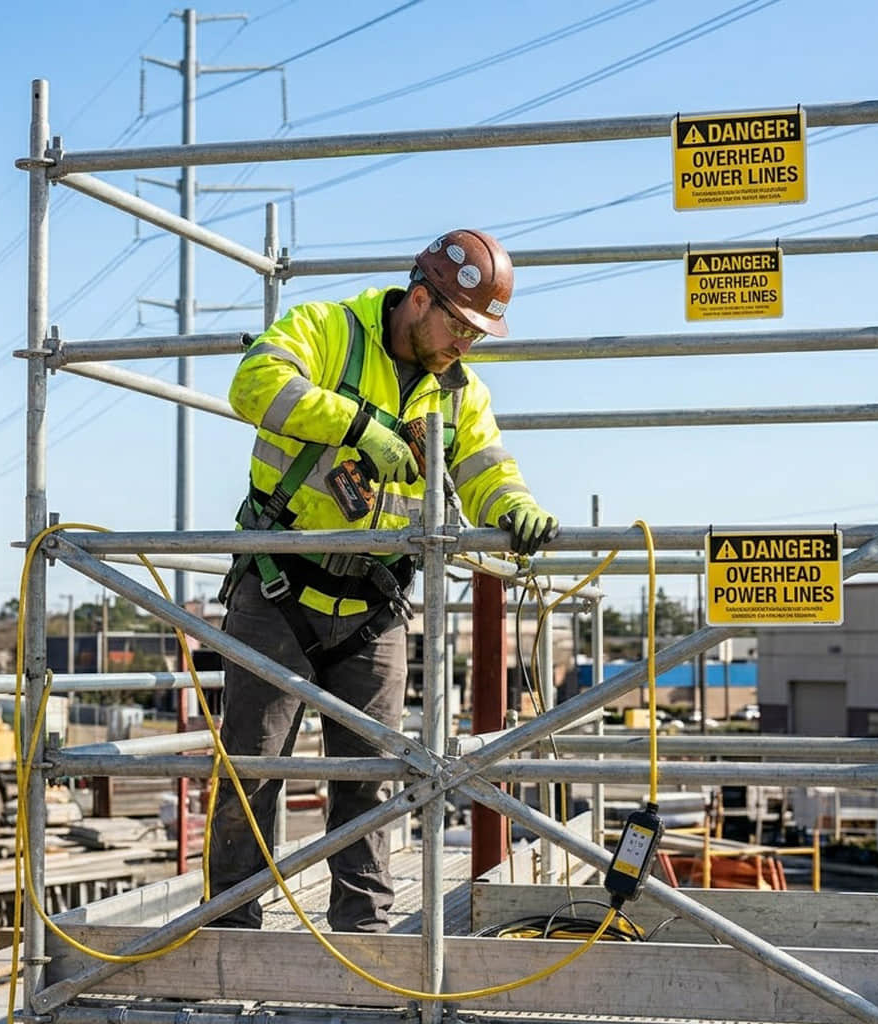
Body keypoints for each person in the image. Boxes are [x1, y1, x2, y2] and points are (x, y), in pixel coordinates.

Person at [209, 228, 558, 932]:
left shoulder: (461, 393)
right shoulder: (329, 329)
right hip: (280, 590)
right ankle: (229, 932)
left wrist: (514, 508)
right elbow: (253, 383)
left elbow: (488, 470)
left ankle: (364, 942)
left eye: (478, 333)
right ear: (420, 299)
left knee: (369, 784)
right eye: (459, 326)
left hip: (375, 606)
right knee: (253, 772)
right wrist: (358, 423)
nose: (466, 344)